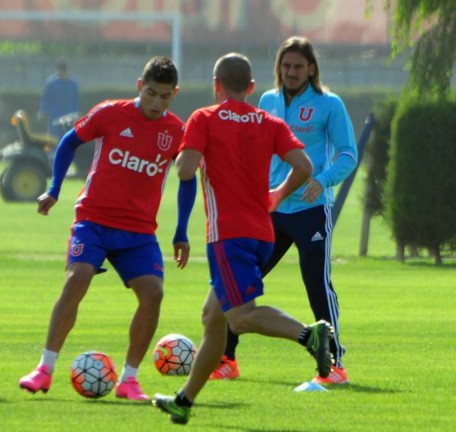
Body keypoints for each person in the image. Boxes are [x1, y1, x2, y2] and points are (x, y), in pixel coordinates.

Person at [152, 53, 333, 425]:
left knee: (241, 317)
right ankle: (184, 401)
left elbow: (185, 169)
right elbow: (305, 166)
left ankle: (309, 334)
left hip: (227, 236)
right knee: (212, 318)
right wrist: (279, 194)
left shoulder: (204, 117)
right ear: (251, 88)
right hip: (263, 232)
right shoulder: (268, 121)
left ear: (216, 85)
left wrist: (196, 155)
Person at [19, 56, 196, 401]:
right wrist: (54, 189)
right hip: (94, 221)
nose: (156, 103)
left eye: (164, 96)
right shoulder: (110, 113)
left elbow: (187, 178)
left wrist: (181, 231)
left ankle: (129, 380)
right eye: (150, 93)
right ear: (138, 86)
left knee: (154, 294)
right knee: (77, 278)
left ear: (174, 94)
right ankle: (44, 368)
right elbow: (69, 141)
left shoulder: (176, 130)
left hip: (139, 232)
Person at [213, 36, 357, 385]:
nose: (291, 72)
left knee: (316, 283)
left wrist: (322, 181)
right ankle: (226, 358)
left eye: (298, 66)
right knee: (241, 283)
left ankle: (335, 364)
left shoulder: (329, 104)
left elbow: (348, 155)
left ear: (311, 68)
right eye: (286, 66)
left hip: (311, 210)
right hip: (270, 210)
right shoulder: (267, 101)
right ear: (278, 68)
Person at [38, 58, 79, 138]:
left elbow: (75, 100)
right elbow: (46, 98)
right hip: (54, 115)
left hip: (69, 115)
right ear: (57, 70)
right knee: (54, 137)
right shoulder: (51, 83)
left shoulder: (73, 84)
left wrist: (76, 113)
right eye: (60, 71)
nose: (63, 74)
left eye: (64, 71)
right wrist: (42, 111)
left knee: (68, 137)